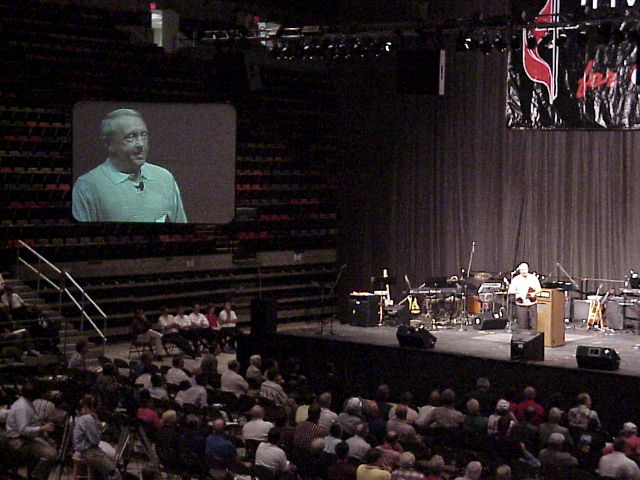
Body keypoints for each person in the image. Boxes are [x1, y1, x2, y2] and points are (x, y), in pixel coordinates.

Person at [72, 108, 186, 223]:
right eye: (131, 136)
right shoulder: (87, 187)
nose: (141, 144)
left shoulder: (164, 178)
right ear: (109, 144)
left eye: (144, 135)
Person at [6, 383, 58, 480]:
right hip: (18, 441)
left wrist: (46, 438)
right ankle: (36, 477)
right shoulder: (22, 407)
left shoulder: (27, 403)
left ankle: (36, 475)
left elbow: (35, 423)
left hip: (27, 438)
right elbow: (23, 430)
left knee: (51, 448)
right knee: (51, 454)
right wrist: (43, 428)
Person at [73, 394, 121, 480]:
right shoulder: (87, 419)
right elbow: (95, 440)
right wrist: (98, 425)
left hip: (83, 448)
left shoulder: (79, 418)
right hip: (89, 451)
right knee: (114, 472)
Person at [508, 262, 542, 330]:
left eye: (525, 269)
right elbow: (510, 291)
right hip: (521, 305)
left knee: (534, 324)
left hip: (532, 304)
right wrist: (519, 292)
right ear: (519, 271)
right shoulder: (516, 279)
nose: (524, 271)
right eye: (522, 270)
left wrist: (534, 293)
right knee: (522, 325)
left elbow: (539, 289)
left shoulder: (533, 278)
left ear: (528, 269)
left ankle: (533, 336)